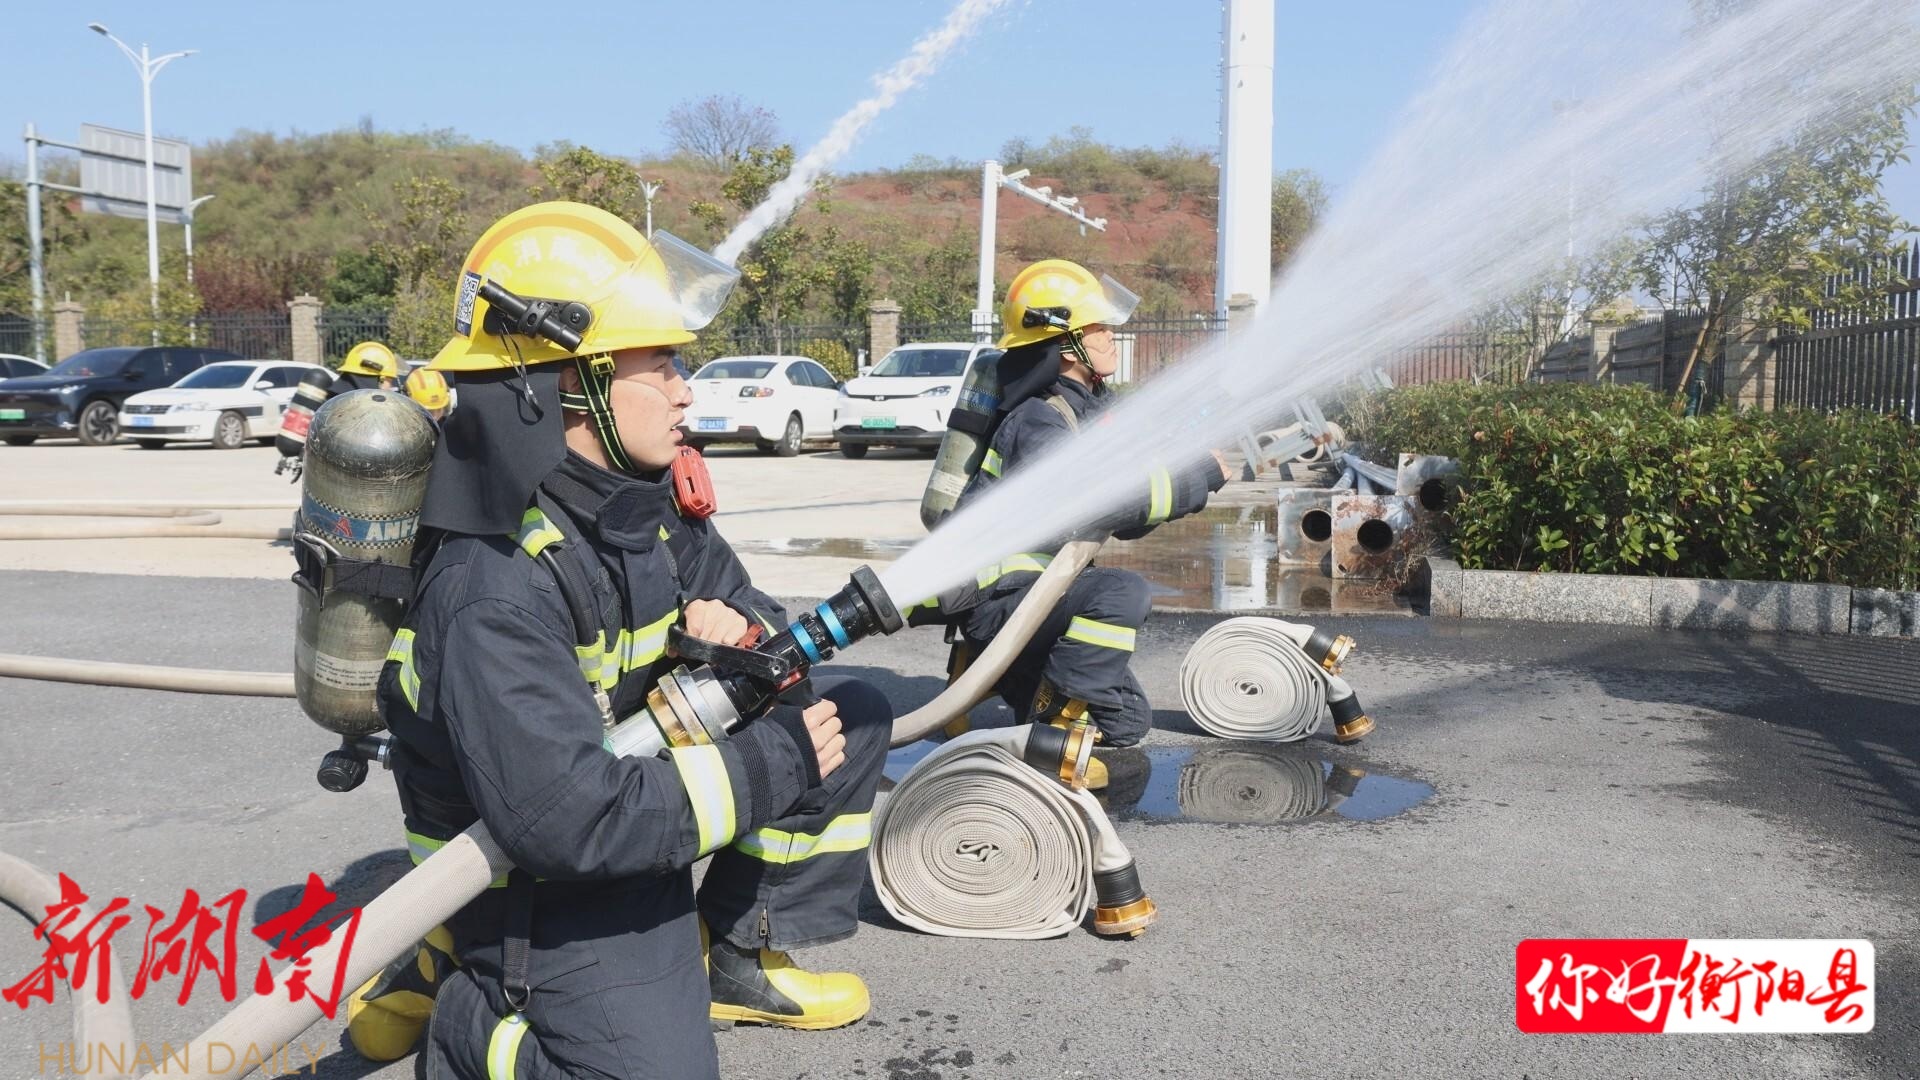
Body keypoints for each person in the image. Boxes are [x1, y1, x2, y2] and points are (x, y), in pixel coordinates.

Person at [366, 201, 890, 1079]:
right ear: (568, 385)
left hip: (633, 804)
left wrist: (739, 636)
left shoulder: (647, 508)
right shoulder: (493, 583)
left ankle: (736, 954)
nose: (688, 389)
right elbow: (564, 821)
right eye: (663, 365)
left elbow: (758, 614)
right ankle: (468, 1013)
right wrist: (776, 762)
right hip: (533, 880)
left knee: (853, 715)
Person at [908, 260, 1231, 782]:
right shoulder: (1038, 418)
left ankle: (1006, 678)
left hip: (1040, 597)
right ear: (1066, 345)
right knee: (1121, 592)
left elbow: (1124, 520)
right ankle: (1052, 733)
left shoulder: (1079, 415)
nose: (1111, 337)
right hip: (1004, 600)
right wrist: (1196, 480)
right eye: (1098, 328)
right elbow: (1089, 504)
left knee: (1128, 722)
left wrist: (1185, 476)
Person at [335, 340, 400, 391]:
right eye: (390, 381)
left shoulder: (335, 398)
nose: (390, 387)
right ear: (381, 381)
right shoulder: (371, 402)